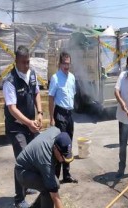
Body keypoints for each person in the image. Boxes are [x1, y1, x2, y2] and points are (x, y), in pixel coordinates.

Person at [3, 45, 43, 208]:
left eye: (28, 62)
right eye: (24, 63)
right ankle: (19, 199)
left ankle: (26, 186)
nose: (27, 66)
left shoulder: (31, 74)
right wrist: (29, 123)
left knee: (33, 156)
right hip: (16, 127)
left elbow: (37, 93)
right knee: (22, 160)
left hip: (30, 124)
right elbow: (12, 109)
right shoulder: (10, 81)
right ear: (16, 62)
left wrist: (39, 113)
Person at [15, 127, 74, 208]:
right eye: (62, 157)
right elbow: (55, 196)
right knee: (48, 189)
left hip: (35, 165)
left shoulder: (57, 131)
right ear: (55, 148)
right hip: (23, 172)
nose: (63, 160)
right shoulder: (46, 159)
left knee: (55, 184)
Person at [49, 51, 78, 184]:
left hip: (69, 114)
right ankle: (55, 176)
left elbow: (73, 94)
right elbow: (51, 98)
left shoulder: (72, 77)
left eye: (68, 63)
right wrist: (51, 117)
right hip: (59, 114)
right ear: (60, 64)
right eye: (64, 63)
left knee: (69, 145)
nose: (67, 66)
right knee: (59, 145)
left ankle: (66, 175)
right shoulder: (55, 78)